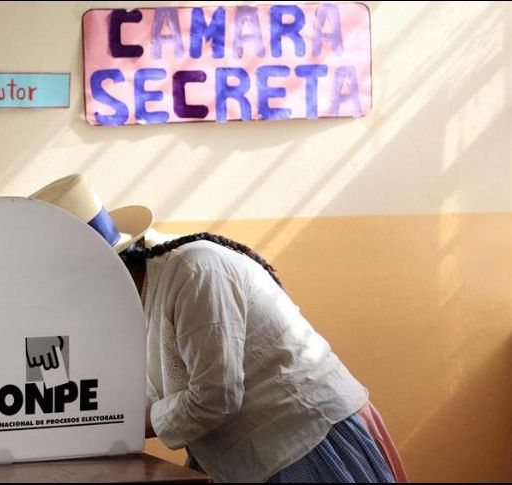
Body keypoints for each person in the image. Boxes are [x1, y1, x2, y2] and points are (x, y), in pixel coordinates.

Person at [30, 173, 408, 483]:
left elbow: (216, 397)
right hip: (245, 451)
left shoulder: (195, 271)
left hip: (304, 439)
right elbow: (154, 387)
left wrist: (113, 426)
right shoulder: (132, 297)